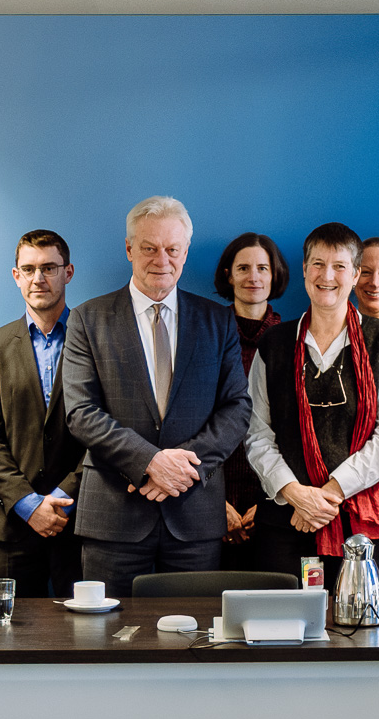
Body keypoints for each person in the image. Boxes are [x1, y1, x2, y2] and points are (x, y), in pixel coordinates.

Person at [60, 197, 252, 595]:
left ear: (185, 252)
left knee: (193, 630)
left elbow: (236, 408)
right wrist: (149, 462)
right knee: (107, 630)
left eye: (172, 249)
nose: (161, 260)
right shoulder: (87, 319)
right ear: (129, 249)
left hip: (194, 514)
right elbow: (81, 412)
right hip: (114, 516)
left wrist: (179, 470)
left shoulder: (217, 321)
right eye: (149, 248)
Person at [244, 222, 379, 576]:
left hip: (357, 520)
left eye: (339, 266)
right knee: (285, 611)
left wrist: (327, 495)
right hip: (285, 519)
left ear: (355, 274)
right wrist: (296, 494)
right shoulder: (274, 343)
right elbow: (257, 433)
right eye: (318, 264)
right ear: (305, 270)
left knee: (352, 611)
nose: (327, 276)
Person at [0, 230, 86, 600]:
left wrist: (64, 496)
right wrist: (30, 504)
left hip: (80, 519)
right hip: (12, 522)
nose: (39, 278)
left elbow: (106, 431)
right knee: (13, 630)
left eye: (49, 268)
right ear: (16, 276)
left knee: (86, 630)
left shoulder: (95, 338)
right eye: (29, 269)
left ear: (68, 272)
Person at [213, 233, 287, 567]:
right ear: (228, 275)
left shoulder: (292, 341)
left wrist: (272, 497)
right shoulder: (207, 335)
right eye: (243, 268)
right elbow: (191, 422)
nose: (253, 277)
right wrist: (216, 501)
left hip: (275, 500)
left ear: (275, 275)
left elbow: (297, 431)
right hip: (212, 500)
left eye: (262, 268)